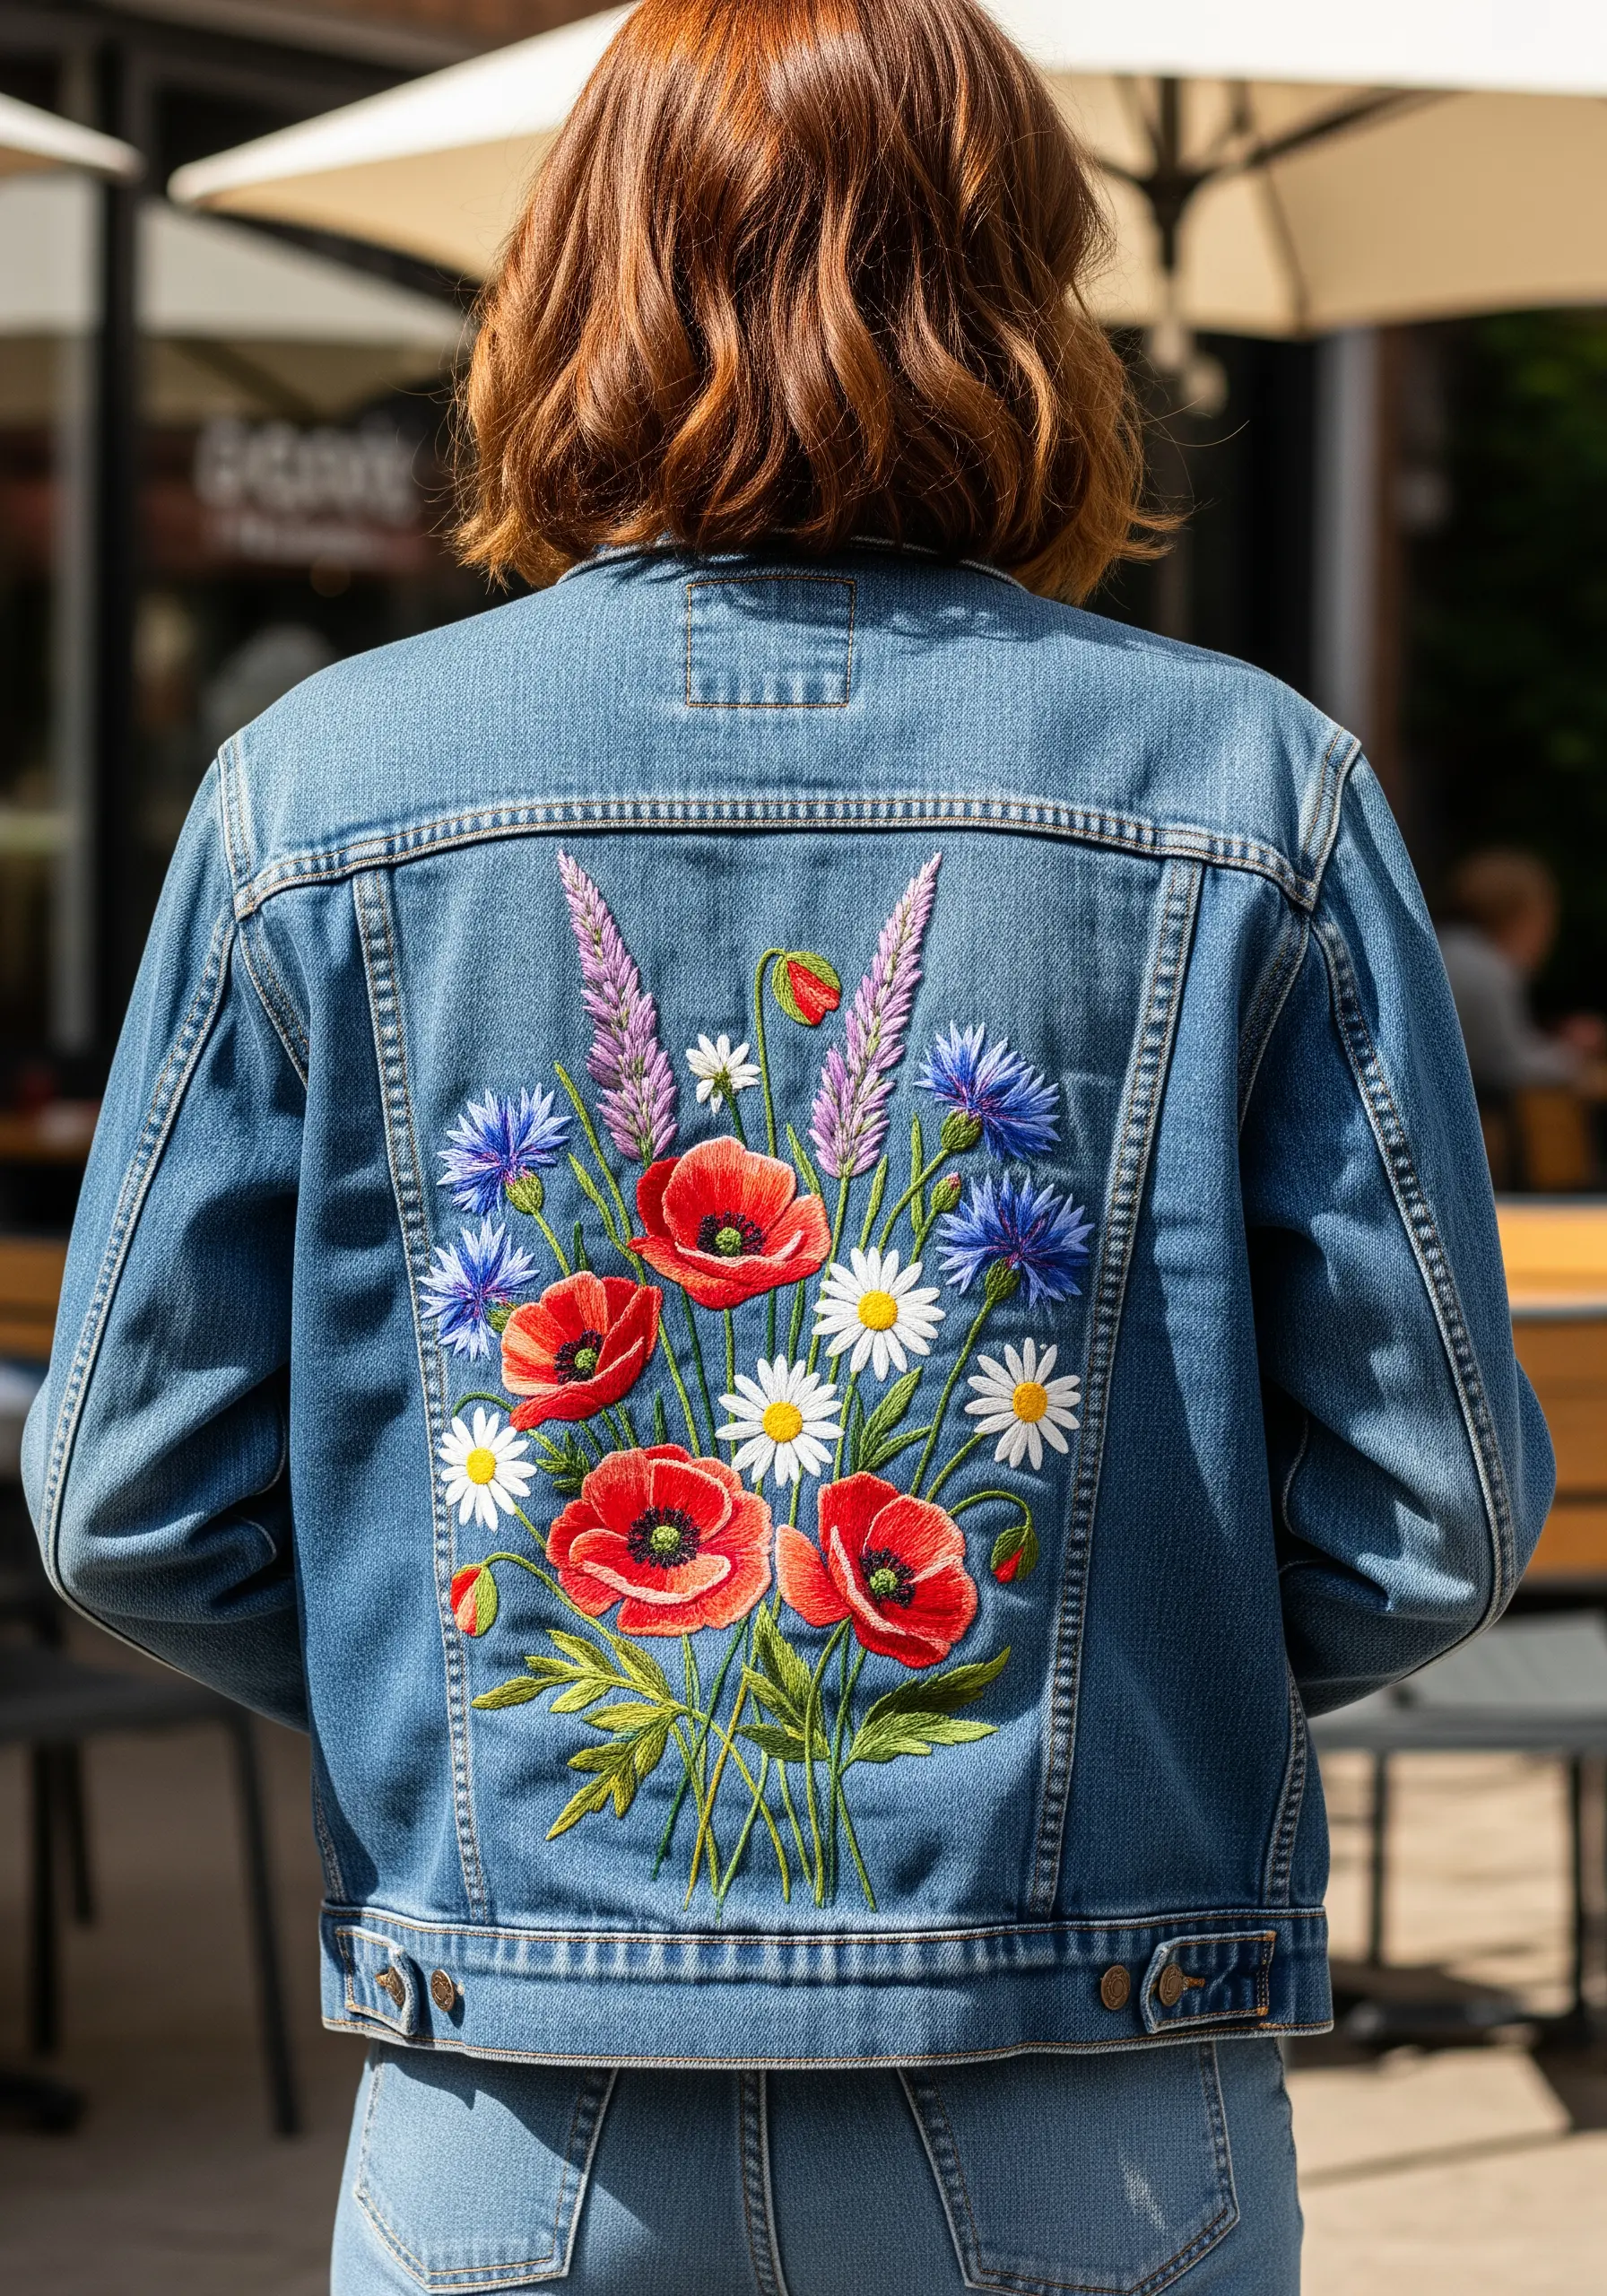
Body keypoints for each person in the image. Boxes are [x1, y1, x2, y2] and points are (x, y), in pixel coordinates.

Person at [24, 4, 1551, 2290]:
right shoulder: (1255, 795)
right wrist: (1074, 1684)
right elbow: (1432, 1514)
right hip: (1092, 2098)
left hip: (518, 2109)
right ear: (1024, 297)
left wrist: (492, 1697)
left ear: (572, 287)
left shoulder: (305, 795)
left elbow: (126, 1498)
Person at [1437, 847, 1606, 1098]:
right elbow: (1508, 1066)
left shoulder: (1448, 948)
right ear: (1522, 916)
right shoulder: (1488, 969)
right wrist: (1572, 1056)